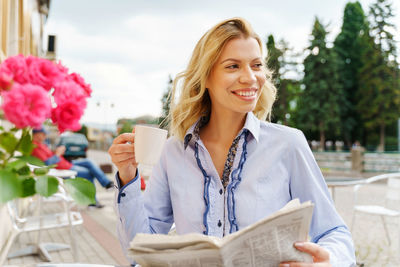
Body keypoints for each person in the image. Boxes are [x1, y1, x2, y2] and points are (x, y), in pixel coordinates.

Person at [108, 18, 356, 266]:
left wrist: (328, 262)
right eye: (233, 66)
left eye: (256, 65)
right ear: (205, 77)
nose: (250, 78)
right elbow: (139, 249)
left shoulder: (288, 143)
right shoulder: (173, 151)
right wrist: (127, 176)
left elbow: (334, 232)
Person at [32, 127, 114, 208]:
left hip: (65, 163)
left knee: (88, 161)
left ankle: (107, 183)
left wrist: (57, 152)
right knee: (89, 173)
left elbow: (49, 157)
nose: (45, 136)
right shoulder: (35, 147)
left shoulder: (41, 144)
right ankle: (93, 200)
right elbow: (47, 164)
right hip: (62, 168)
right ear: (36, 134)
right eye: (43, 134)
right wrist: (58, 153)